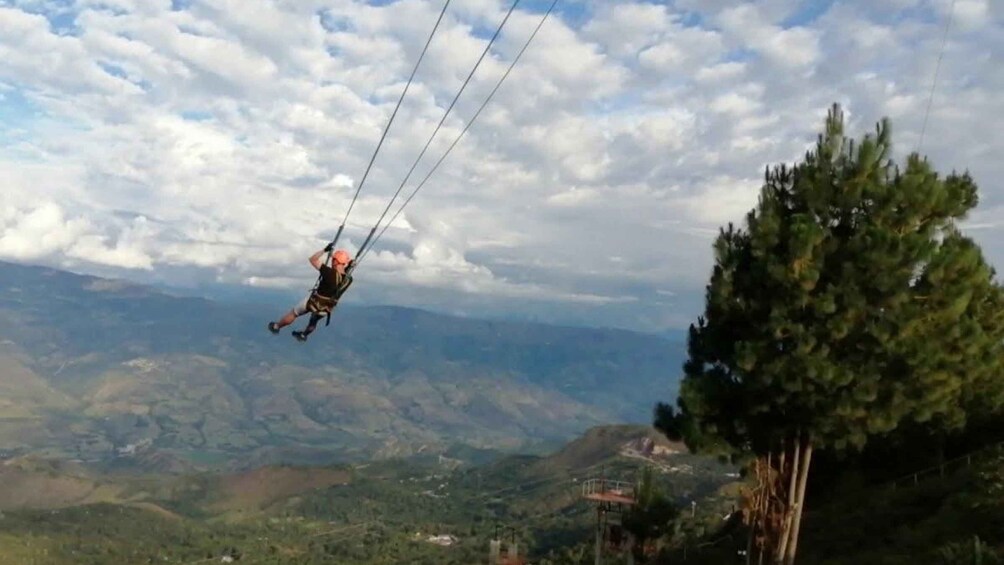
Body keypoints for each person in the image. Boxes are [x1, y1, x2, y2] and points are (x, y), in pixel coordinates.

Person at [268, 246, 353, 342]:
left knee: (294, 313)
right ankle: (304, 335)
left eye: (333, 259)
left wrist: (324, 250)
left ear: (336, 261)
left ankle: (276, 326)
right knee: (314, 321)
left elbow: (313, 259)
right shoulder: (349, 280)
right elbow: (340, 279)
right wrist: (348, 267)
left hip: (313, 302)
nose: (332, 261)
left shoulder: (328, 272)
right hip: (327, 308)